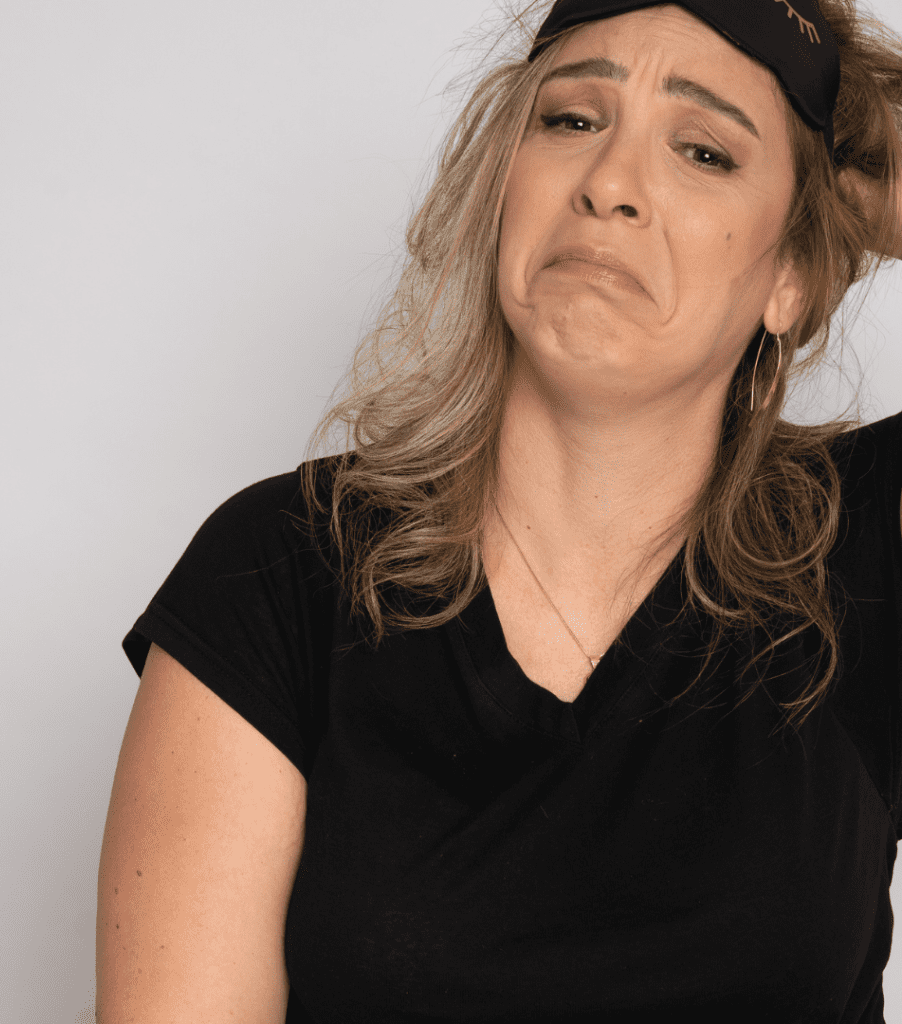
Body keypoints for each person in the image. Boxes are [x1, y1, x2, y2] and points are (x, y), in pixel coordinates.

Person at [97, 1, 902, 1021]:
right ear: (501, 190)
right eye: (571, 120)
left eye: (703, 151)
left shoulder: (863, 550)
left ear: (792, 276)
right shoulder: (283, 569)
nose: (610, 183)